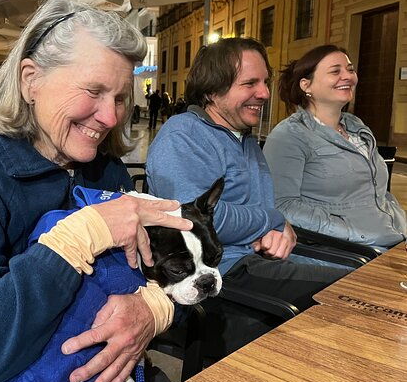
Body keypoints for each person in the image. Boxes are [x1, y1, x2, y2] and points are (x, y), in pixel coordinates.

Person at [0, 0, 192, 382]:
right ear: (31, 80)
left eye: (120, 98)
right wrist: (79, 236)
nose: (111, 116)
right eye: (93, 90)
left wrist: (154, 310)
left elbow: (178, 267)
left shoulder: (106, 170)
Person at [146, 37, 352, 355]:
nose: (265, 93)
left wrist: (275, 232)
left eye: (265, 82)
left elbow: (258, 211)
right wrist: (273, 219)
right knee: (354, 294)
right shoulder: (183, 135)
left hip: (256, 264)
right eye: (250, 83)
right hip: (222, 284)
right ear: (213, 90)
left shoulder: (244, 138)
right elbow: (199, 221)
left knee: (364, 283)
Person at [263, 45, 406, 249]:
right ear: (306, 85)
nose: (347, 76)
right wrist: (352, 232)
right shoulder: (289, 135)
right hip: (351, 251)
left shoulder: (357, 127)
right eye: (335, 71)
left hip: (393, 239)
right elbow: (283, 206)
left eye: (350, 69)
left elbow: (379, 194)